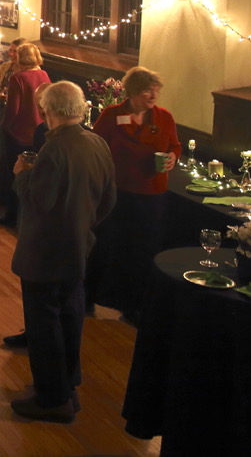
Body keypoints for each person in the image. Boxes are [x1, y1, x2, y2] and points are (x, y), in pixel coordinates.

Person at [10, 81, 116, 423]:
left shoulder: (54, 149)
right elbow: (108, 199)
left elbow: (39, 200)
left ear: (49, 111)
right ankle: (68, 387)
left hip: (46, 252)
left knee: (44, 325)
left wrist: (21, 175)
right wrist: (84, 226)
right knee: (70, 318)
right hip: (79, 247)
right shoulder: (97, 142)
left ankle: (51, 398)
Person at [87, 66, 180, 325]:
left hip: (152, 196)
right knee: (107, 246)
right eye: (147, 91)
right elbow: (96, 146)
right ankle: (89, 296)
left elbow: (175, 145)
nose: (152, 95)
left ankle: (134, 306)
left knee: (142, 251)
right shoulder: (111, 115)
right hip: (118, 193)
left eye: (156, 90)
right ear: (132, 92)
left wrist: (173, 157)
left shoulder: (164, 118)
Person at [0, 43, 50, 226]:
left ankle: (12, 215)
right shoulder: (44, 75)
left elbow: (13, 110)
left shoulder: (18, 78)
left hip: (18, 134)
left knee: (15, 173)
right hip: (39, 132)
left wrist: (2, 127)